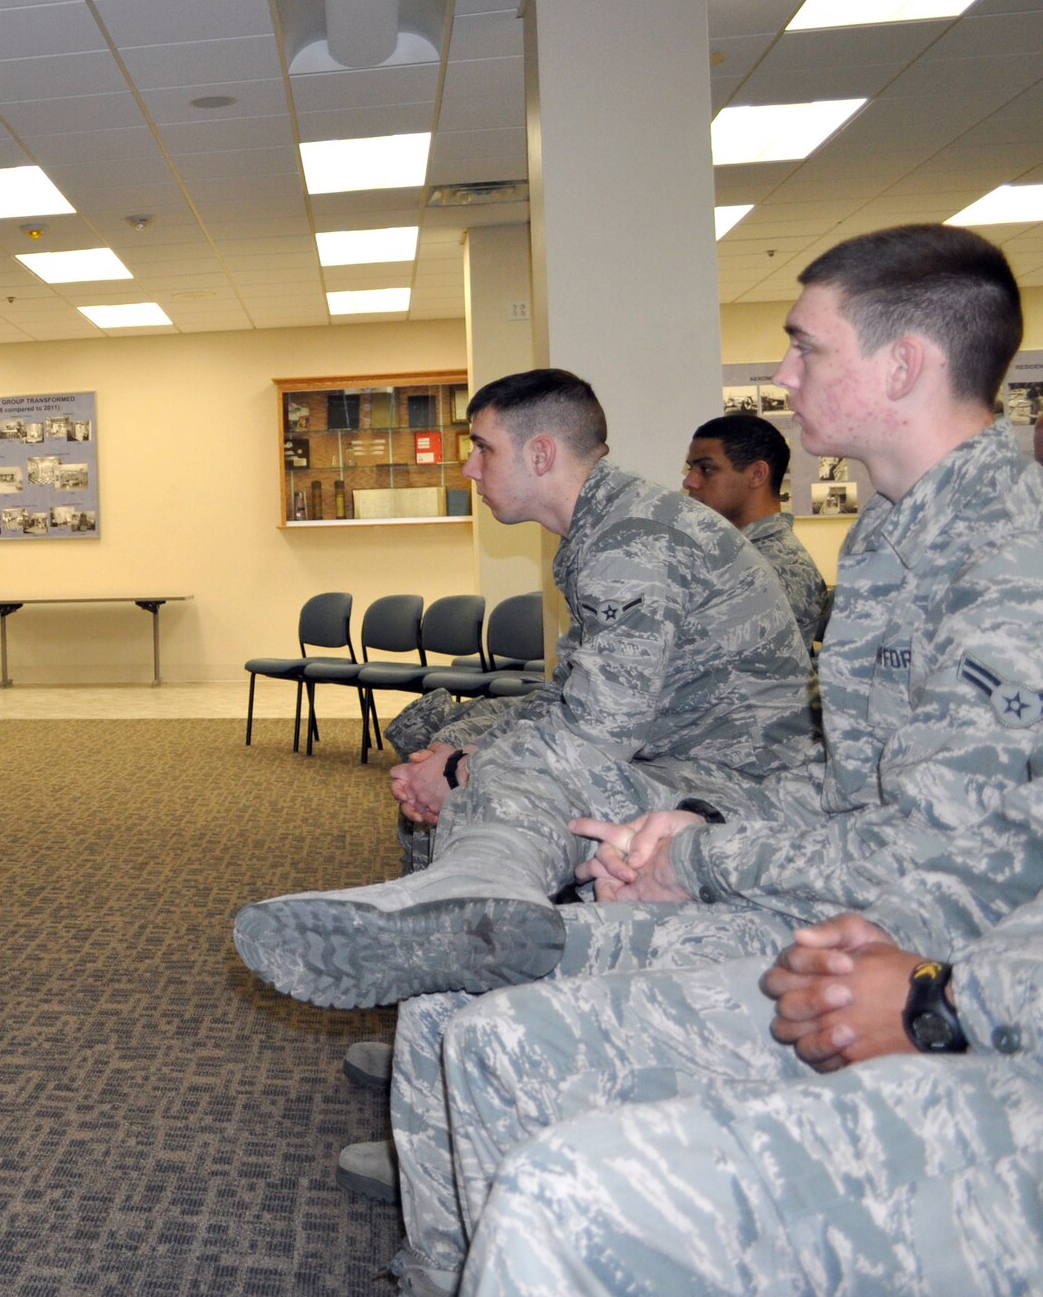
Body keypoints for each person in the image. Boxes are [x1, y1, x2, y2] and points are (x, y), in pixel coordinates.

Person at [389, 223, 1043, 1292]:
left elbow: (934, 877)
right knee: (444, 1002)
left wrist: (694, 861)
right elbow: (848, 790)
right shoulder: (888, 531)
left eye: (804, 347)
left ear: (903, 364)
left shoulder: (1002, 563)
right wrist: (688, 832)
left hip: (913, 963)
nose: (781, 377)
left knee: (501, 1044)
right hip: (834, 897)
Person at [233, 369, 816, 1011]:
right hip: (672, 754)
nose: (468, 470)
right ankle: (452, 954)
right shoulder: (607, 528)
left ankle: (465, 907)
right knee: (464, 747)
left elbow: (599, 734)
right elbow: (569, 693)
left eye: (483, 447)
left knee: (506, 781)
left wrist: (464, 770)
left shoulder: (633, 541)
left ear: (541, 454)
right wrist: (457, 753)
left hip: (736, 782)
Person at [460, 847, 1043, 1294]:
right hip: (945, 972)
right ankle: (447, 1270)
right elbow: (1014, 842)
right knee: (488, 1030)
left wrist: (949, 1002)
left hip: (992, 1030)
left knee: (564, 1195)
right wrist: (879, 945)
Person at [683, 412, 828, 644]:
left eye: (706, 469)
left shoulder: (778, 566)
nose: (689, 481)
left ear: (757, 474)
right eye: (691, 469)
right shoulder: (734, 553)